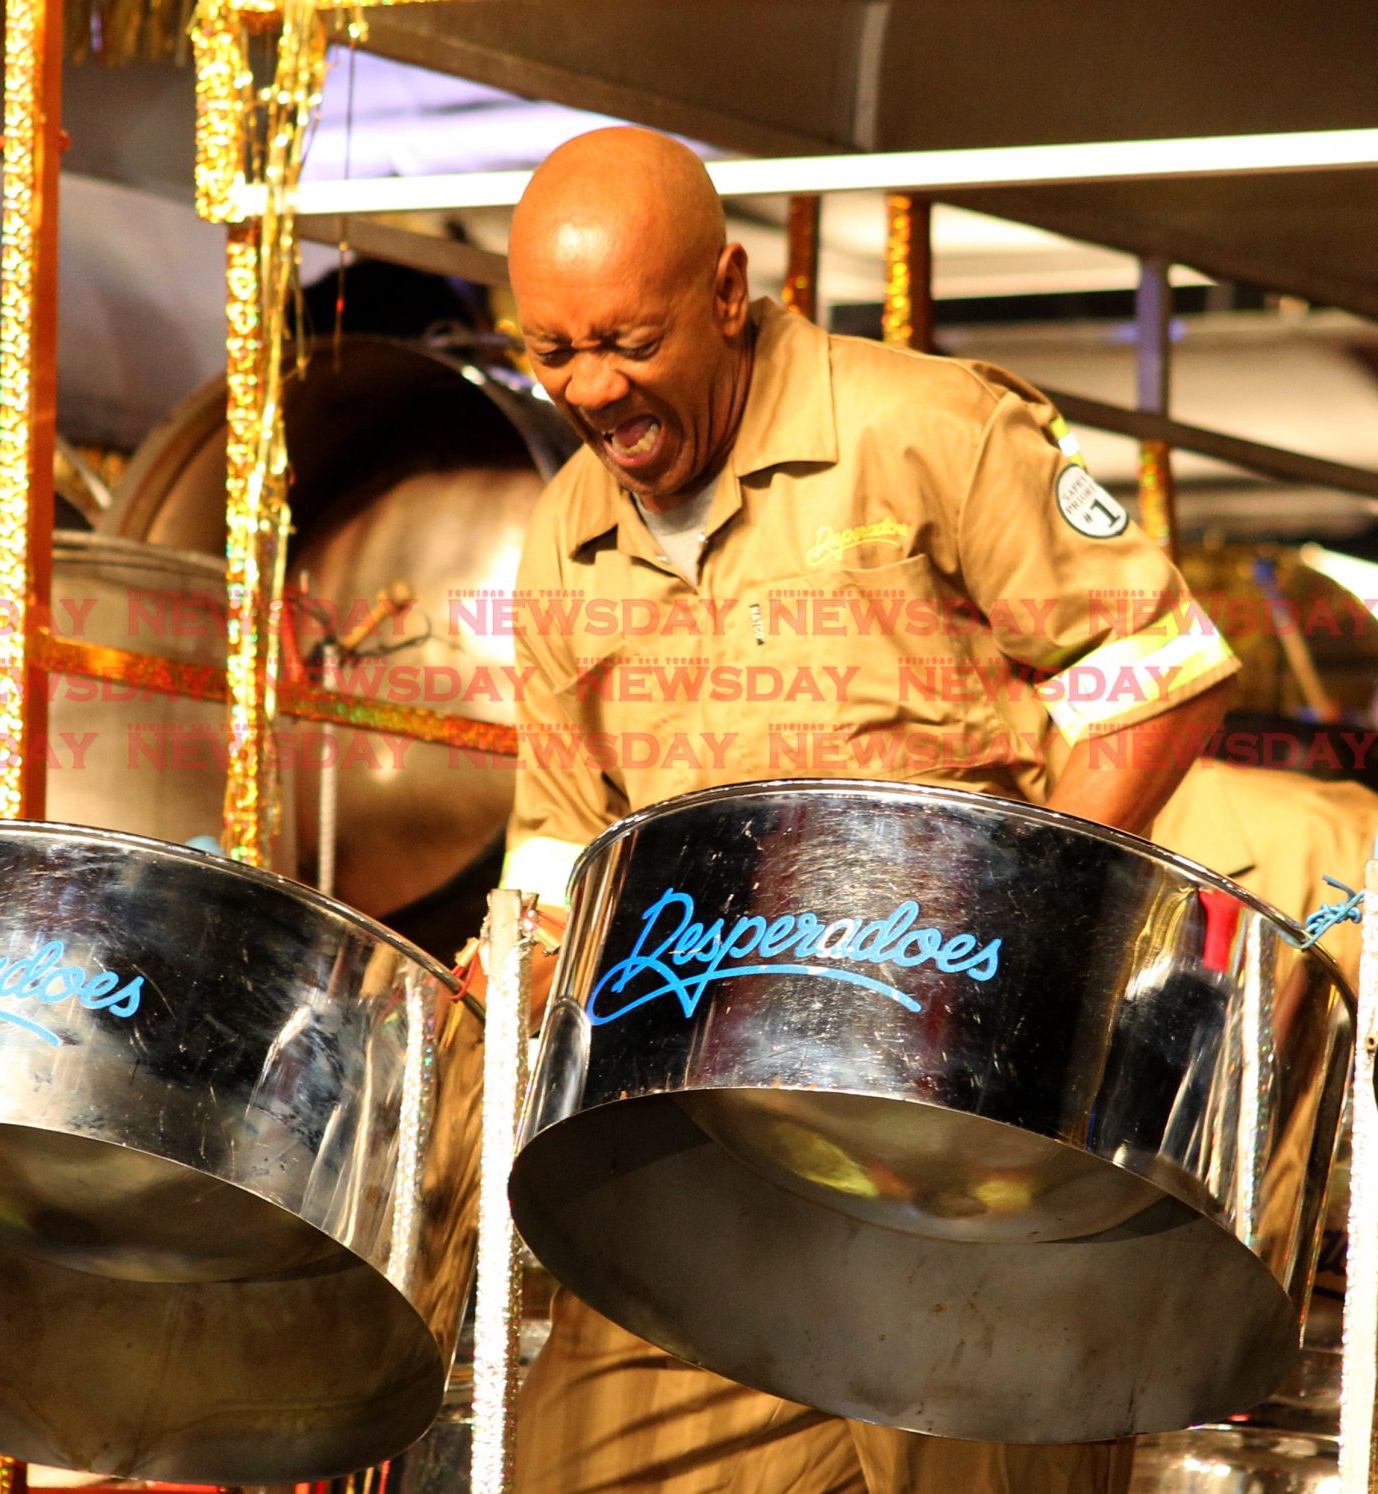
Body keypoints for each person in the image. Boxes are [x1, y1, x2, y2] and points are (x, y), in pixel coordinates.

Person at [499, 126, 1240, 1494]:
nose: (593, 388)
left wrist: (1026, 992)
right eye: (552, 353)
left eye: (628, 339)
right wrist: (519, 974)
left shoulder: (925, 431)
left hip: (956, 1181)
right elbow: (559, 844)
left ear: (728, 292)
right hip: (702, 1163)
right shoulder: (562, 530)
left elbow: (1160, 681)